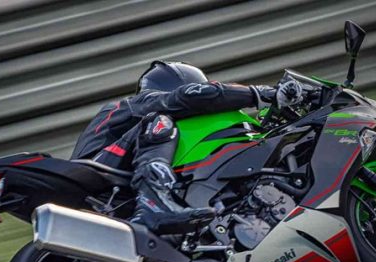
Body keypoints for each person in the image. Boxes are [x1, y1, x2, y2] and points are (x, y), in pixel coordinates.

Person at [71, 61, 320, 234]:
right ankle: (153, 204)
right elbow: (187, 97)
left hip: (113, 193)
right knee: (159, 121)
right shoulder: (136, 104)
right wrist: (261, 93)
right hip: (95, 174)